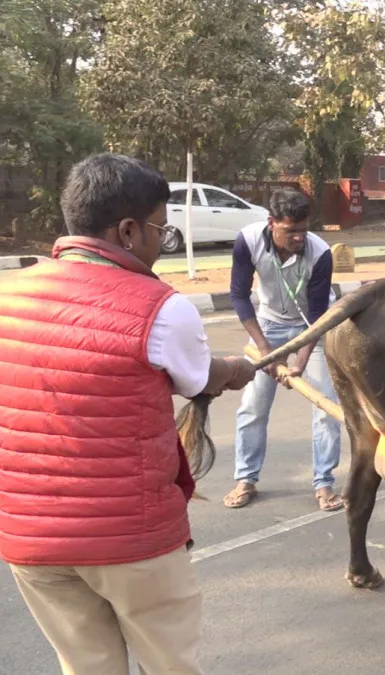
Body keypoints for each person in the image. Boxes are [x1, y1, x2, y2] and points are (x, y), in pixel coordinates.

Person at [0, 152, 256, 674]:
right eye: (161, 229)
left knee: (86, 666)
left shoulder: (9, 294)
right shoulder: (160, 307)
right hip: (131, 540)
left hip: (30, 540)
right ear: (128, 231)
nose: (162, 242)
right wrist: (235, 368)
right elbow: (198, 378)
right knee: (170, 664)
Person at [225, 187, 344, 511]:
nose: (299, 238)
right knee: (252, 407)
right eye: (291, 231)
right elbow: (238, 295)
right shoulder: (248, 241)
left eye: (303, 230)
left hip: (312, 328)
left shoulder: (320, 253)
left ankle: (324, 484)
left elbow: (317, 315)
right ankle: (246, 479)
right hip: (268, 326)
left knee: (326, 406)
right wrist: (265, 350)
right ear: (272, 223)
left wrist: (300, 363)